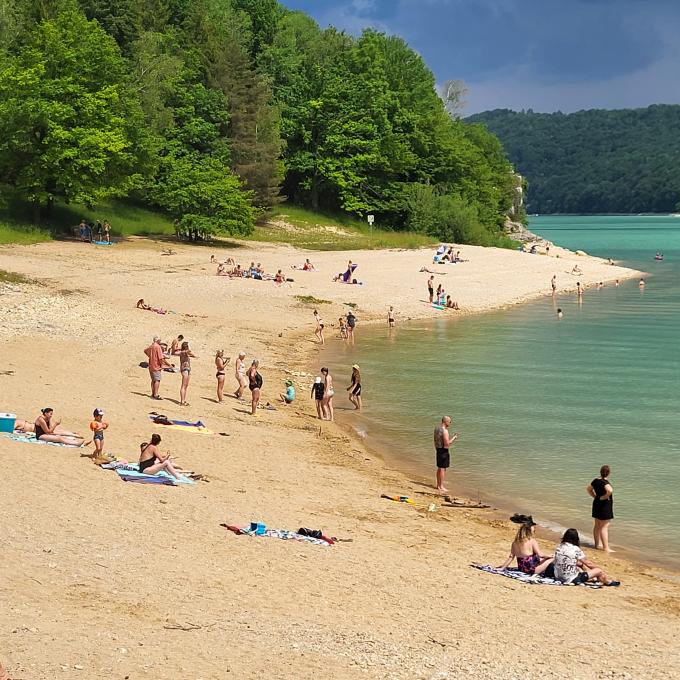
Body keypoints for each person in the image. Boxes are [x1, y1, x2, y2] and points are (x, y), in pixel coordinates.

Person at [553, 529, 620, 586]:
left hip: (558, 576)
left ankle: (600, 578)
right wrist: (599, 570)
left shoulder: (559, 547)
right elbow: (588, 564)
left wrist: (581, 565)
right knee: (598, 570)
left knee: (579, 565)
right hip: (571, 579)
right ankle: (608, 581)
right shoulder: (575, 549)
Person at [587, 465, 614, 552]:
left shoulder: (595, 481)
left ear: (600, 472)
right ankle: (606, 548)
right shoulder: (605, 482)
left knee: (597, 525)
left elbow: (588, 489)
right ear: (609, 473)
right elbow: (610, 490)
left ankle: (596, 545)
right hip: (604, 505)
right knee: (604, 526)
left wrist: (594, 496)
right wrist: (605, 497)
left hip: (596, 503)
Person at [433, 416, 458, 492]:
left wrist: (437, 449)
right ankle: (441, 486)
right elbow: (447, 443)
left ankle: (438, 485)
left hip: (438, 449)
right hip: (443, 450)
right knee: (442, 469)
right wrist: (454, 437)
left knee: (439, 468)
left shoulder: (436, 429)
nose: (450, 423)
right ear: (446, 422)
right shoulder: (445, 431)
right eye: (450, 422)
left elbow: (435, 440)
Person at [144, 336, 172, 400]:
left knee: (153, 380)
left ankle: (153, 393)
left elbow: (145, 351)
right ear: (158, 340)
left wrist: (150, 356)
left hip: (151, 364)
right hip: (156, 365)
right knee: (157, 380)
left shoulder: (151, 346)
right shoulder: (158, 347)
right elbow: (160, 358)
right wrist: (164, 365)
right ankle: (156, 394)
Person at [177, 341, 197, 406]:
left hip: (187, 369)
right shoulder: (183, 352)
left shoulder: (184, 352)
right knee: (183, 386)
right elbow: (190, 352)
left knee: (185, 386)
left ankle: (183, 400)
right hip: (184, 369)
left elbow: (192, 354)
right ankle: (182, 401)